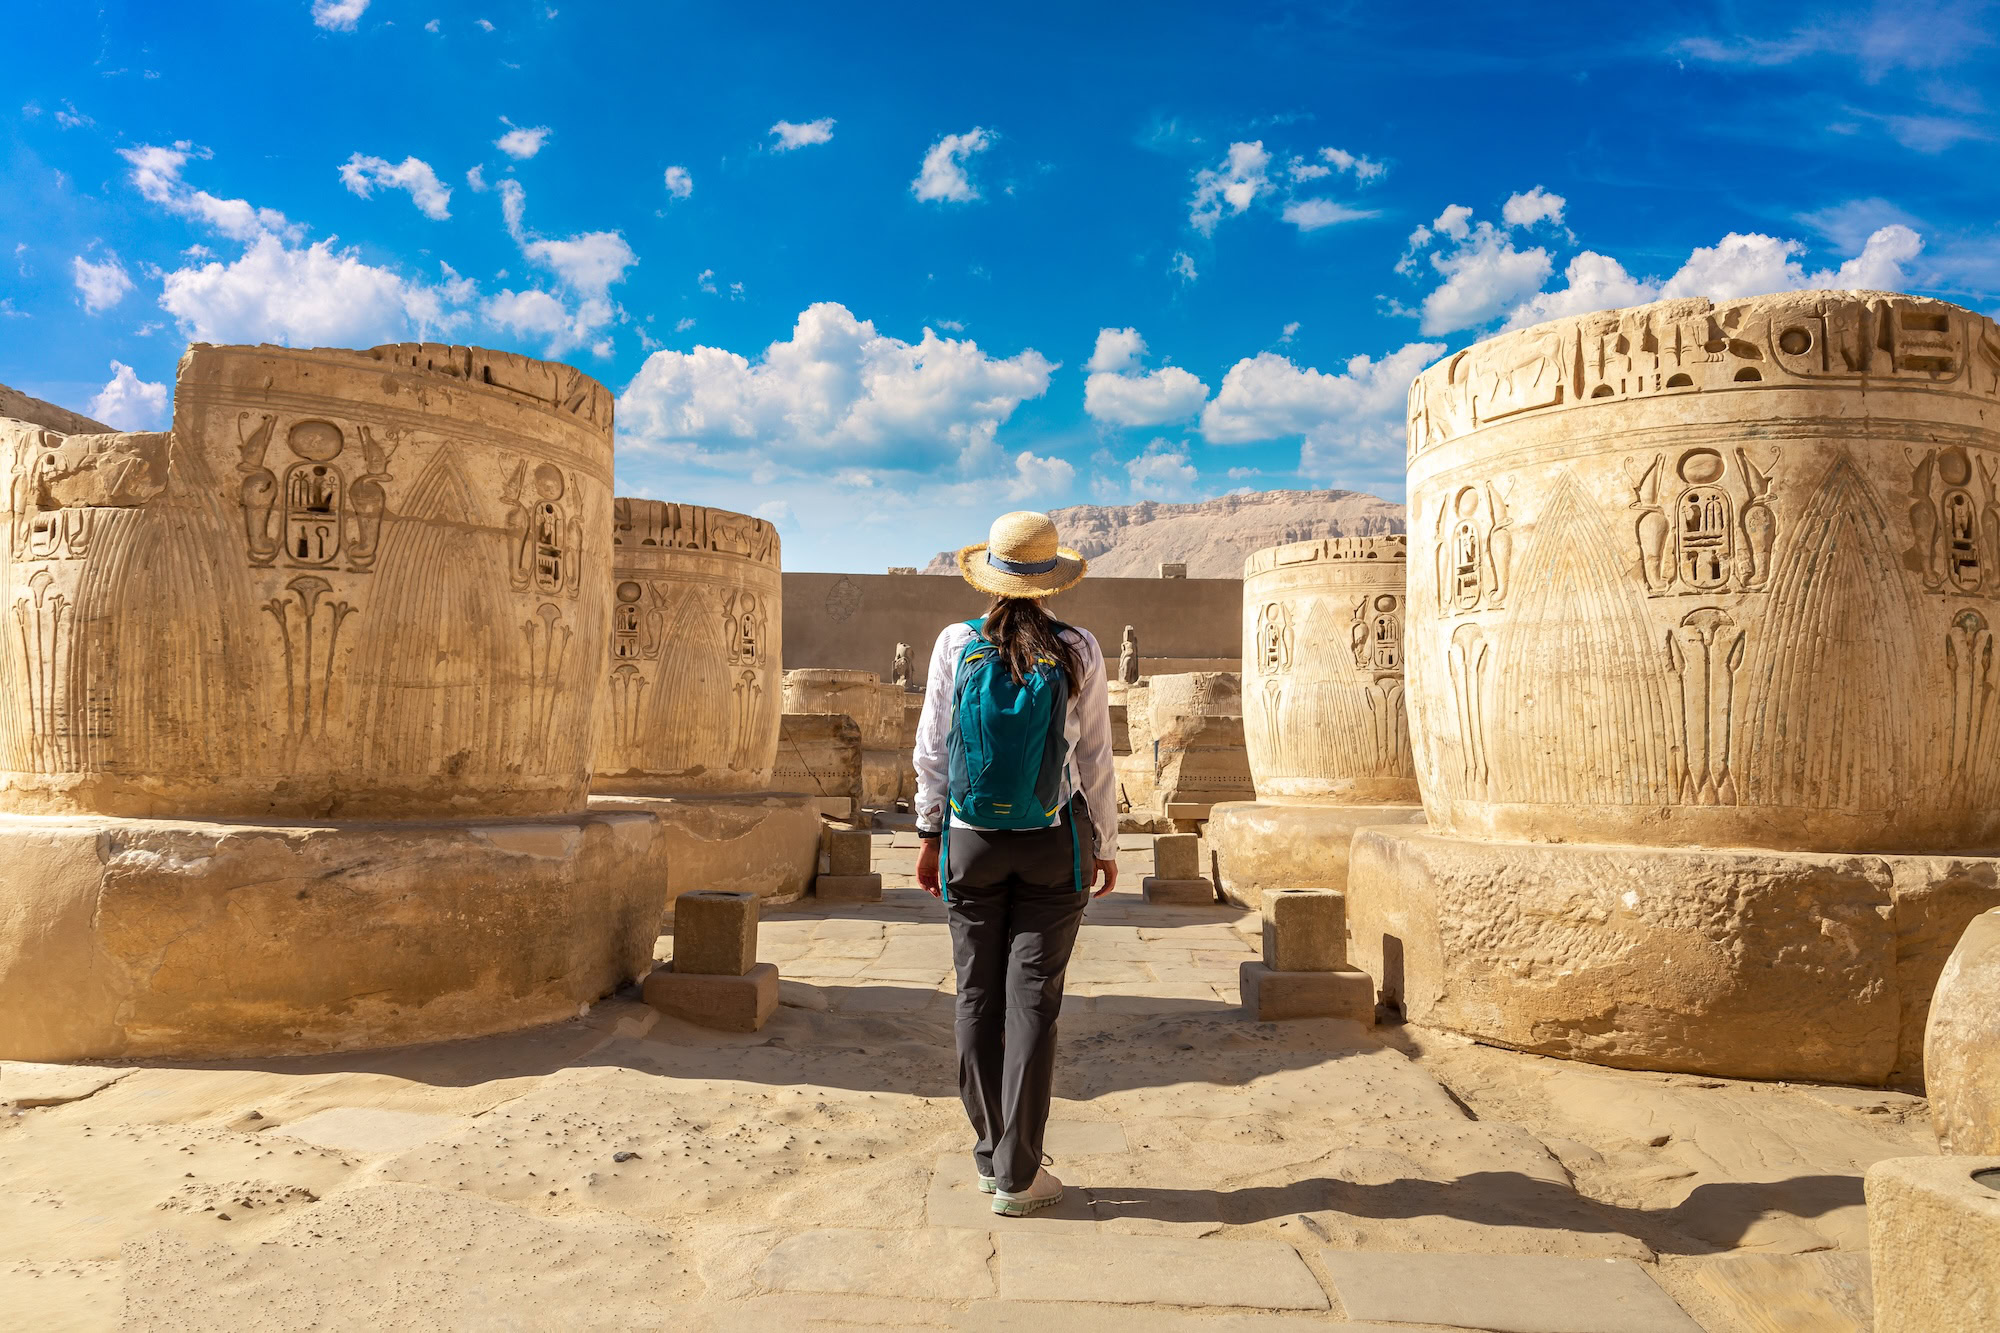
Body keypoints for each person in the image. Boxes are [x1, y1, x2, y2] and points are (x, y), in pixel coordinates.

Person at [912, 510, 1118, 1218]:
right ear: (1051, 578)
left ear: (989, 575)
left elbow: (933, 748)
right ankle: (1019, 1174)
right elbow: (1094, 760)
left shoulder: (954, 644)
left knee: (975, 996)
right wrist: (1108, 845)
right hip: (1049, 842)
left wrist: (930, 831)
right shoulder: (1078, 648)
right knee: (1032, 1002)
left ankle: (988, 1151)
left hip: (969, 843)